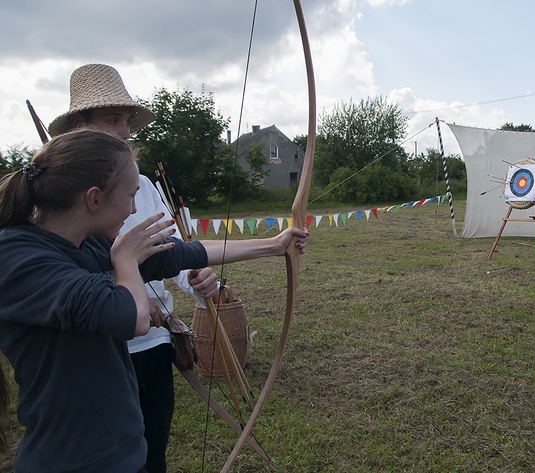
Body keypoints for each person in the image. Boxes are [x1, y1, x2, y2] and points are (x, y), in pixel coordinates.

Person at [0, 129, 307, 472]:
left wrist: (274, 245)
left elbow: (184, 252)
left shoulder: (88, 243)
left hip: (123, 450)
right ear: (94, 199)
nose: (134, 208)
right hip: (73, 459)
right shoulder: (17, 256)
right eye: (130, 196)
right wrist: (126, 261)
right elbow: (132, 318)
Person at [47, 63, 211, 473]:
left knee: (152, 451)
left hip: (154, 344)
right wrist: (123, 286)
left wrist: (192, 280)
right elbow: (64, 273)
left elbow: (166, 250)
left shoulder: (143, 183)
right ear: (80, 126)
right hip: (101, 347)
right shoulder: (54, 195)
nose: (125, 131)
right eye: (113, 120)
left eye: (128, 121)